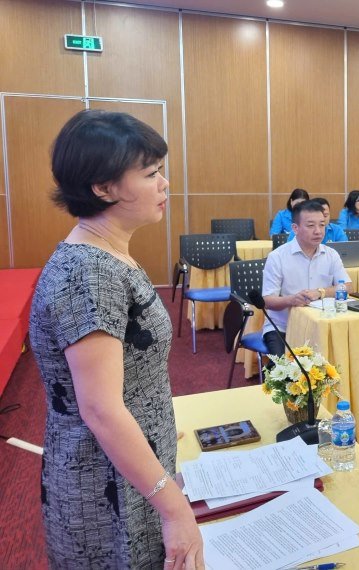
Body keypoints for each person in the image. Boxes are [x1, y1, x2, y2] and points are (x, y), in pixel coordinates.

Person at [28, 110, 203, 568]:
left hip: (132, 470)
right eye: (150, 173)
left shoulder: (111, 253)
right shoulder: (91, 273)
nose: (165, 183)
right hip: (106, 486)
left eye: (161, 170)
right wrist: (173, 507)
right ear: (102, 188)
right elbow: (101, 409)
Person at [261, 200, 353, 355]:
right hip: (284, 327)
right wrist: (291, 300)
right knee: (286, 372)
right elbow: (268, 301)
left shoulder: (331, 254)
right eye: (311, 226)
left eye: (322, 225)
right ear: (295, 228)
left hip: (323, 325)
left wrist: (320, 292)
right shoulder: (277, 257)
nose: (318, 231)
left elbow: (348, 286)